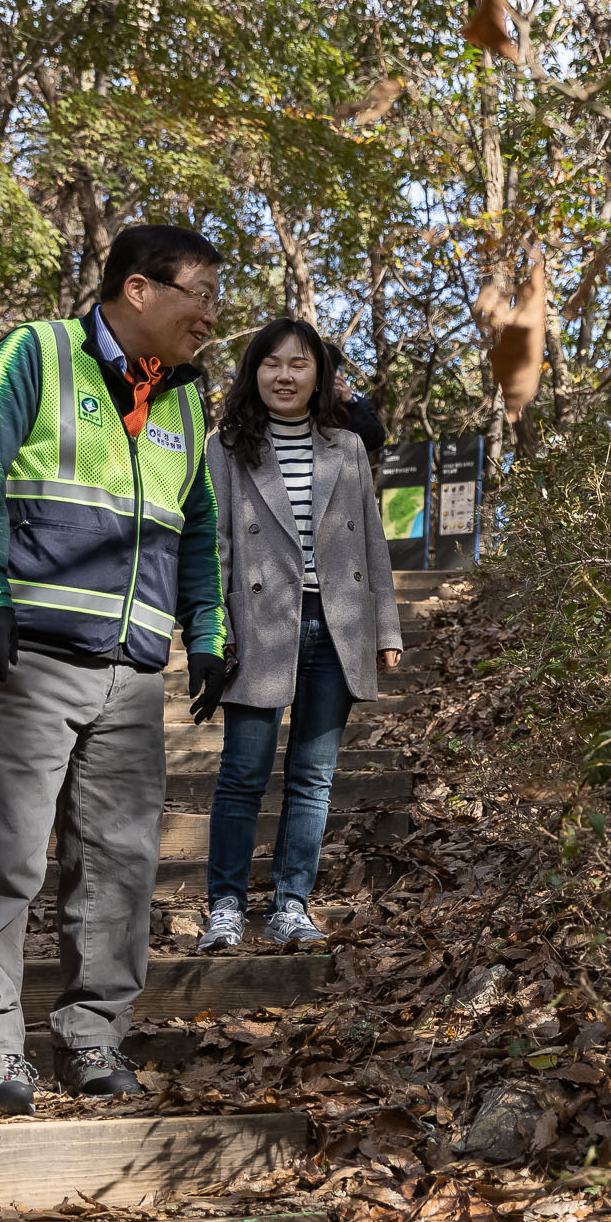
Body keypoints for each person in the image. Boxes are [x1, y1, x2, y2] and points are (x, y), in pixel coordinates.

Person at [0, 224, 229, 1115]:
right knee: (5, 854)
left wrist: (207, 632)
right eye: (201, 294)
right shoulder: (38, 351)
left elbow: (200, 525)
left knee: (120, 862)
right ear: (138, 290)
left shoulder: (185, 396)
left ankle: (92, 1031)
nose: (212, 316)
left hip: (134, 670)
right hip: (27, 653)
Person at [201, 317, 400, 953]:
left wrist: (386, 627)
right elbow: (216, 544)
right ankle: (225, 908)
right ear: (252, 372)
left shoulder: (345, 449)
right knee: (242, 774)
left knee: (313, 779)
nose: (284, 376)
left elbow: (371, 542)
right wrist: (211, 631)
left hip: (337, 625)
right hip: (257, 626)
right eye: (271, 364)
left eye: (299, 364)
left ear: (320, 377)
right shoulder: (225, 447)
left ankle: (292, 904)